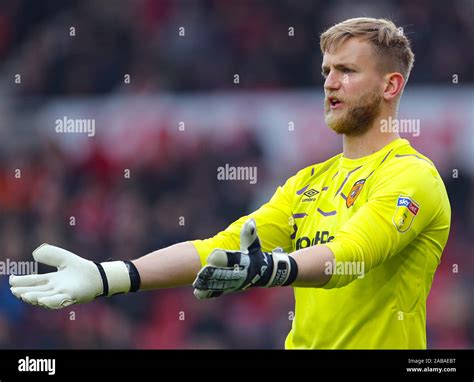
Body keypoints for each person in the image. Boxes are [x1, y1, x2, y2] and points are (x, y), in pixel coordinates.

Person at [9, 17, 451, 349]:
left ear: (391, 85)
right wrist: (110, 276)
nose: (330, 84)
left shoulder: (413, 176)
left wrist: (274, 268)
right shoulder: (306, 183)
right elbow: (218, 246)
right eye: (326, 71)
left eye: (347, 71)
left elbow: (350, 258)